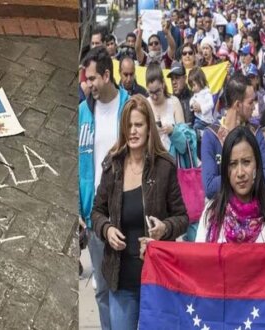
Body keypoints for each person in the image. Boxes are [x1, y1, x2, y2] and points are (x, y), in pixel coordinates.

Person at [92, 95, 187, 330]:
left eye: (139, 125)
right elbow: (96, 212)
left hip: (157, 280)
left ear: (148, 129)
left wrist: (165, 228)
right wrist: (106, 228)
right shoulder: (112, 165)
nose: (133, 131)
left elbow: (182, 217)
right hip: (121, 280)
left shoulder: (164, 167)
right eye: (129, 125)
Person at [78, 46, 130, 330]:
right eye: (86, 78)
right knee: (102, 288)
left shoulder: (131, 108)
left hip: (128, 212)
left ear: (107, 76)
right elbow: (77, 161)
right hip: (96, 215)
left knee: (125, 287)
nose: (88, 84)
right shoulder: (83, 112)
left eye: (93, 78)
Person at [196, 126, 265, 242]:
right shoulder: (211, 214)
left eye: (246, 162)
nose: (240, 173)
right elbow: (200, 256)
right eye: (233, 164)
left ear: (257, 164)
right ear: (225, 169)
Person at [201, 73, 265, 200]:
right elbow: (210, 188)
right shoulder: (211, 135)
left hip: (252, 211)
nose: (254, 107)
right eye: (250, 102)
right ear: (237, 105)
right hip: (222, 213)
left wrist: (229, 178)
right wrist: (247, 175)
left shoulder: (255, 133)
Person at [145, 63, 185, 152]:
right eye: (151, 93)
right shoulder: (144, 105)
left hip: (172, 160)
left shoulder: (174, 102)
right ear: (147, 88)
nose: (155, 97)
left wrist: (173, 131)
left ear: (163, 84)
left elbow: (184, 144)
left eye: (157, 91)